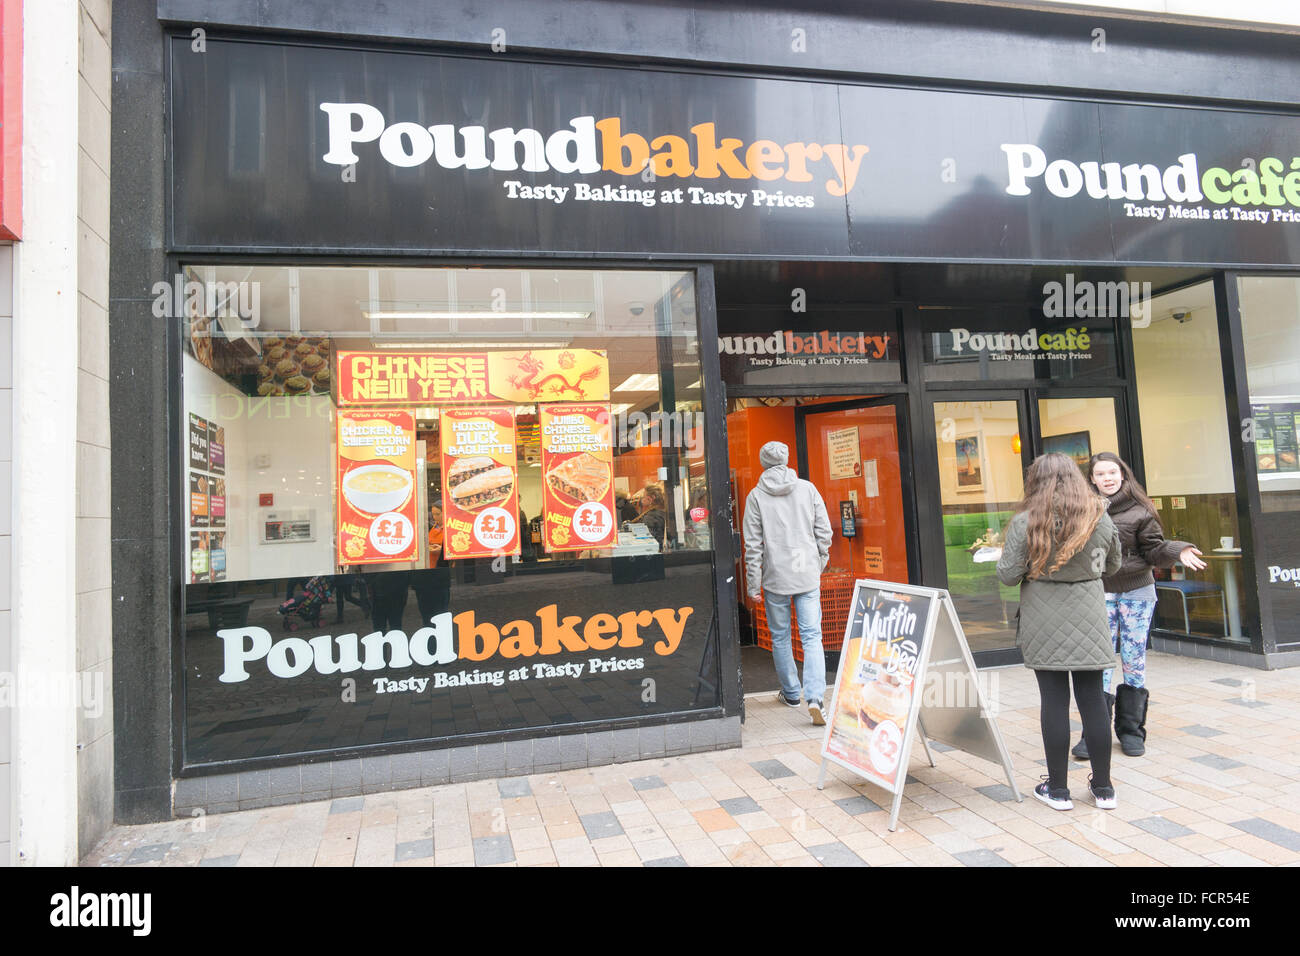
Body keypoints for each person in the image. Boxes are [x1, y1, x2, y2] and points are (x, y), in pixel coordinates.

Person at [997, 453, 1122, 811]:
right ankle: (1104, 789)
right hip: (1090, 616)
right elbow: (1111, 564)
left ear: (1035, 481)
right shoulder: (1098, 516)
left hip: (1043, 618)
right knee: (1093, 701)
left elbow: (1007, 574)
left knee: (1054, 702)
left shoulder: (1026, 521)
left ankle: (1058, 791)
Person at [1072, 451, 1206, 759]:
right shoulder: (1083, 510)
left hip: (1136, 591)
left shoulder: (1141, 510)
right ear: (1092, 479)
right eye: (1101, 474)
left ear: (1123, 475)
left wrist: (1179, 549)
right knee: (1100, 662)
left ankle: (1131, 731)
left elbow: (1155, 550)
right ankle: (1094, 734)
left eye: (1112, 473)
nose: (1107, 478)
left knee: (1133, 660)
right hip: (1099, 592)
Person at [742, 441, 832, 725]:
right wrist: (819, 561)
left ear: (763, 462)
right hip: (806, 572)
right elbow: (824, 531)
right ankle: (816, 697)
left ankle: (792, 693)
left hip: (776, 577)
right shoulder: (807, 488)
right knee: (812, 636)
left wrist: (753, 584)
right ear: (787, 459)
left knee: (780, 637)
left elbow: (753, 546)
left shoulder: (756, 496)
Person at [411, 499, 452, 624]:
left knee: (440, 612)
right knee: (427, 613)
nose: (435, 517)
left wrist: (442, 549)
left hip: (440, 574)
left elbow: (452, 550)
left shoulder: (450, 529)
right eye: (433, 514)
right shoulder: (433, 527)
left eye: (438, 514)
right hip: (427, 572)